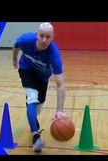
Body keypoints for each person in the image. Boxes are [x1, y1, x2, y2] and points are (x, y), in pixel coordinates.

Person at [12, 22, 66, 152]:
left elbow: (61, 85)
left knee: (38, 107)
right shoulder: (26, 40)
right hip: (26, 69)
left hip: (42, 78)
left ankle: (32, 113)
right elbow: (16, 45)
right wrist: (14, 59)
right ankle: (35, 135)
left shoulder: (54, 55)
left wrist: (59, 110)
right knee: (32, 97)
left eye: (48, 37)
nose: (44, 40)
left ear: (53, 37)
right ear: (37, 34)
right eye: (41, 36)